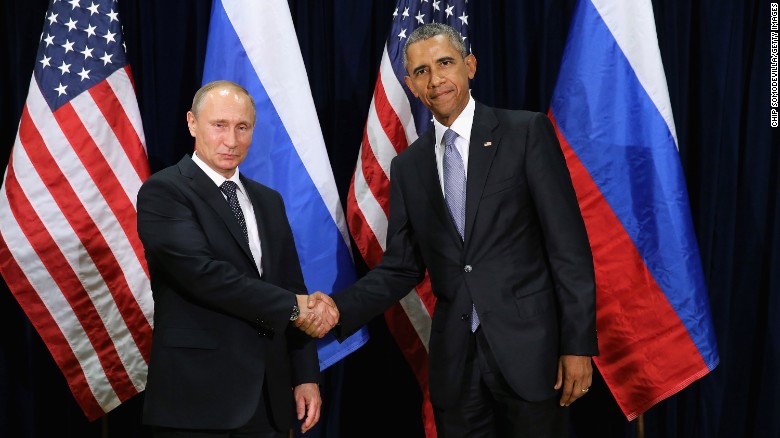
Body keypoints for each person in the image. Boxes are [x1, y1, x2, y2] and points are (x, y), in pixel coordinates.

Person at [307, 23, 598, 437]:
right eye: (422, 71)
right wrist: (338, 309)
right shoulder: (407, 167)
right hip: (456, 366)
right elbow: (402, 267)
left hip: (532, 356)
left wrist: (578, 344)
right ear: (409, 84)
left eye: (445, 63)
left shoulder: (524, 133)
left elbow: (567, 247)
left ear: (470, 66)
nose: (435, 79)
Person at [137, 80, 337, 438]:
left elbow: (292, 285)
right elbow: (205, 276)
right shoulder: (164, 192)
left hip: (269, 399)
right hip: (197, 400)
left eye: (242, 127)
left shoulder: (269, 201)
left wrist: (305, 374)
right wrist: (297, 306)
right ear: (192, 123)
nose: (231, 140)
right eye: (220, 125)